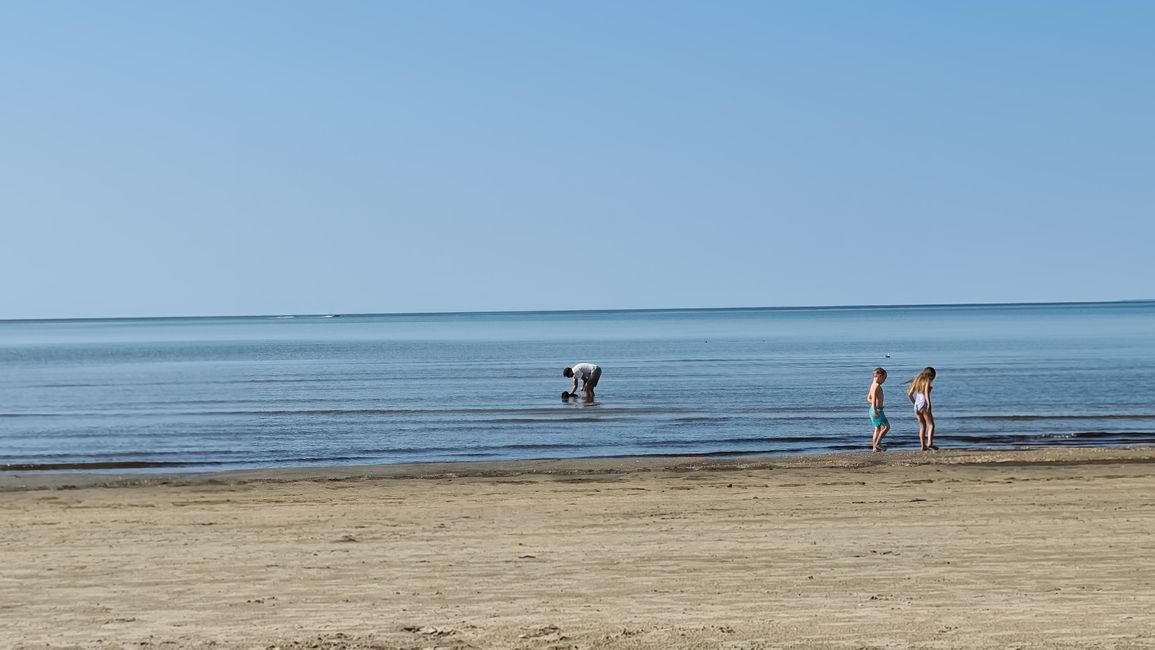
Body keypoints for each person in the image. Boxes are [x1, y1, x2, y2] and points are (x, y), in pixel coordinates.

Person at [907, 366, 937, 451]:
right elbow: (926, 393)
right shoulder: (927, 381)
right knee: (931, 425)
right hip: (924, 405)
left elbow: (910, 394)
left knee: (922, 426)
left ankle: (923, 446)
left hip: (916, 406)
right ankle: (930, 443)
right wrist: (928, 403)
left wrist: (914, 403)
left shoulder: (917, 381)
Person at [867, 367, 890, 452]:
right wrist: (876, 408)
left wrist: (875, 405)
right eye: (884, 378)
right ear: (880, 376)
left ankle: (874, 447)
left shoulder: (872, 385)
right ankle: (878, 443)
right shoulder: (876, 385)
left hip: (873, 409)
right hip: (877, 410)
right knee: (887, 427)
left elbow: (868, 398)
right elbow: (872, 399)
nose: (884, 381)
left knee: (877, 428)